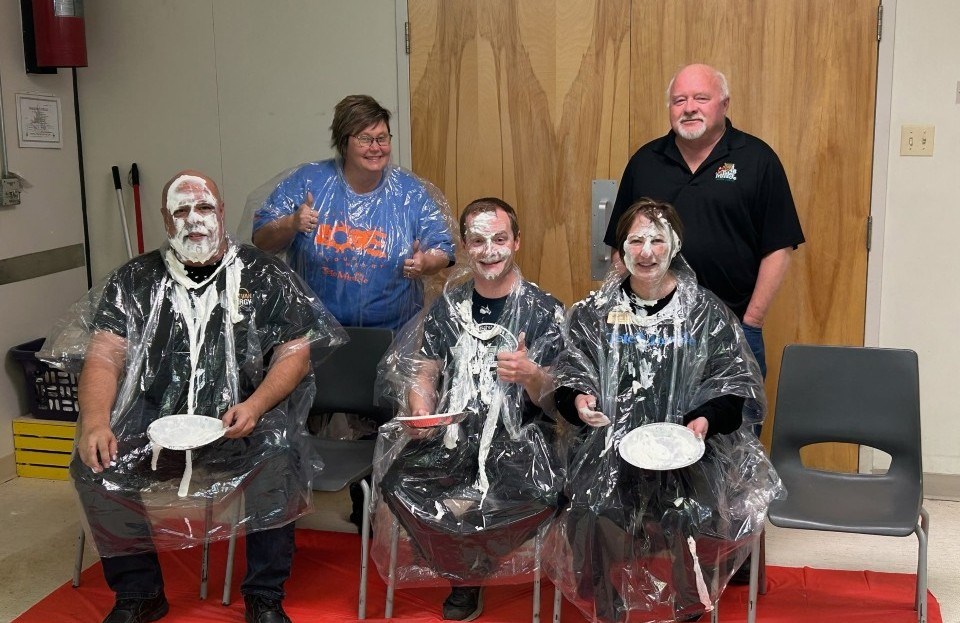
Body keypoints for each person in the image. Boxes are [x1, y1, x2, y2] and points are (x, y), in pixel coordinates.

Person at [42, 171, 345, 623]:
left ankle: (264, 595)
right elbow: (105, 353)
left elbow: (295, 353)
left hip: (240, 420)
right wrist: (94, 420)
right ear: (166, 220)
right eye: (181, 210)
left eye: (203, 208)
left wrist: (257, 405)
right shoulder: (136, 279)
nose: (194, 220)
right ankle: (139, 593)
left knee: (281, 457)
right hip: (154, 425)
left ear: (221, 213)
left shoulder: (263, 273)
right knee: (94, 463)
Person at [549, 199, 783, 623]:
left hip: (689, 453)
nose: (647, 251)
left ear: (675, 245)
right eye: (635, 240)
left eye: (658, 240)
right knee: (589, 509)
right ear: (620, 249)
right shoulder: (592, 313)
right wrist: (579, 402)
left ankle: (689, 605)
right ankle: (607, 606)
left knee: (688, 513)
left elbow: (733, 390)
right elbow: (568, 378)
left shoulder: (704, 311)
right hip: (607, 449)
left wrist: (705, 420)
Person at [371, 198, 565, 621]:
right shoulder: (450, 306)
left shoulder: (545, 310)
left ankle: (470, 571)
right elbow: (424, 369)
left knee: (536, 494)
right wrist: (421, 409)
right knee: (399, 482)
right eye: (478, 240)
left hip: (520, 439)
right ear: (465, 245)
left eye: (499, 239)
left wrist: (531, 374)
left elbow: (557, 399)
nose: (489, 250)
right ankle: (463, 567)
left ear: (517, 242)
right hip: (455, 432)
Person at [603, 63, 804, 377]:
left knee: (732, 422)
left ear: (724, 104)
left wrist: (752, 321)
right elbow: (620, 248)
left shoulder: (757, 160)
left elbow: (778, 247)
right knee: (655, 422)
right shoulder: (645, 162)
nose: (689, 108)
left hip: (732, 327)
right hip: (653, 328)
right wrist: (631, 312)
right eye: (679, 100)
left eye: (701, 98)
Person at [251, 94, 456, 332]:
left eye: (382, 138)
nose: (376, 148)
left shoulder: (409, 192)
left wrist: (426, 262)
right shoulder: (308, 182)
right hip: (314, 332)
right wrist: (291, 223)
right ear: (343, 142)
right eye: (365, 139)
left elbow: (444, 249)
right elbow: (262, 241)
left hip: (393, 335)